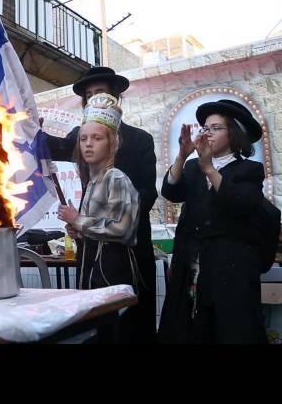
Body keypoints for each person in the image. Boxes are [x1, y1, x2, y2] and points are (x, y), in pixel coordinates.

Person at [45, 66, 158, 343]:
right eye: (89, 95)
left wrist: (104, 218)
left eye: (100, 93)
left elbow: (145, 197)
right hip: (92, 252)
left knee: (127, 324)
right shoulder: (81, 137)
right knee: (95, 323)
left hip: (126, 254)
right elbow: (54, 147)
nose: (88, 145)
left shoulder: (138, 143)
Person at [158, 99, 267, 343]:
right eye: (206, 128)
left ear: (234, 133)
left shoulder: (249, 169)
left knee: (228, 328)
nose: (208, 133)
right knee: (186, 326)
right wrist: (182, 156)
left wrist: (209, 168)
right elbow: (171, 192)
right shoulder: (193, 166)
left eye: (216, 128)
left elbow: (242, 203)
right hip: (192, 261)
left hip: (228, 265)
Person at [57, 93, 141, 342]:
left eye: (97, 138)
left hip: (111, 273)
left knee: (110, 336)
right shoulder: (93, 181)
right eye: (83, 139)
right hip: (92, 272)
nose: (88, 144)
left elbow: (123, 229)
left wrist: (79, 220)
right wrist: (79, 230)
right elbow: (99, 227)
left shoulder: (116, 178)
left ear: (112, 143)